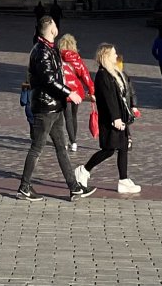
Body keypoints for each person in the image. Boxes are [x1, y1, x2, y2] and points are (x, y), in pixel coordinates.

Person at [14, 16, 93, 201]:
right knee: (37, 148)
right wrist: (69, 93)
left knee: (61, 148)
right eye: (55, 25)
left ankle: (74, 187)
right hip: (45, 107)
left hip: (55, 106)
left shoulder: (50, 48)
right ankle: (24, 187)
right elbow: (48, 80)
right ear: (50, 29)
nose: (57, 28)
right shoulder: (41, 51)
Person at [76, 42, 141, 195]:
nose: (116, 55)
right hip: (111, 119)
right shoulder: (102, 75)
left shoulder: (115, 73)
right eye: (113, 53)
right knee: (109, 149)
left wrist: (130, 108)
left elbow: (124, 93)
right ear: (105, 56)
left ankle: (124, 180)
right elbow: (108, 99)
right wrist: (115, 118)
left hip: (121, 116)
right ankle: (84, 170)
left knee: (123, 147)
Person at [57, 31, 92, 155]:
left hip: (65, 91)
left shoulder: (58, 58)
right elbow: (85, 75)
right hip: (77, 91)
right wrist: (92, 90)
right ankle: (74, 142)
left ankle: (71, 140)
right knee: (74, 116)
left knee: (67, 118)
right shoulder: (77, 59)